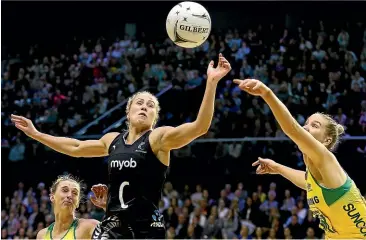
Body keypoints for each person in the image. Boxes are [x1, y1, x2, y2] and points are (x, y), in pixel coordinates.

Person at [12, 53, 231, 239]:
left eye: (151, 106)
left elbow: (200, 127)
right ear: (128, 112)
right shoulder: (112, 139)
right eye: (140, 103)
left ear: (155, 117)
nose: (145, 107)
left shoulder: (158, 138)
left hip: (145, 228)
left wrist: (211, 83)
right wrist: (37, 134)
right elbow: (76, 147)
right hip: (113, 225)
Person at [233, 78, 366, 239]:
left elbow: (292, 129)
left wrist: (266, 93)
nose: (305, 127)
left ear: (327, 140)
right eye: (306, 123)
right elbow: (307, 182)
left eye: (314, 125)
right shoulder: (318, 176)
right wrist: (277, 168)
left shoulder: (325, 158)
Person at [36, 175, 108, 239]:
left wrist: (109, 208)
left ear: (77, 203)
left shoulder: (90, 226)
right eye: (65, 190)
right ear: (52, 197)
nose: (70, 195)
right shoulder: (42, 235)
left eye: (75, 193)